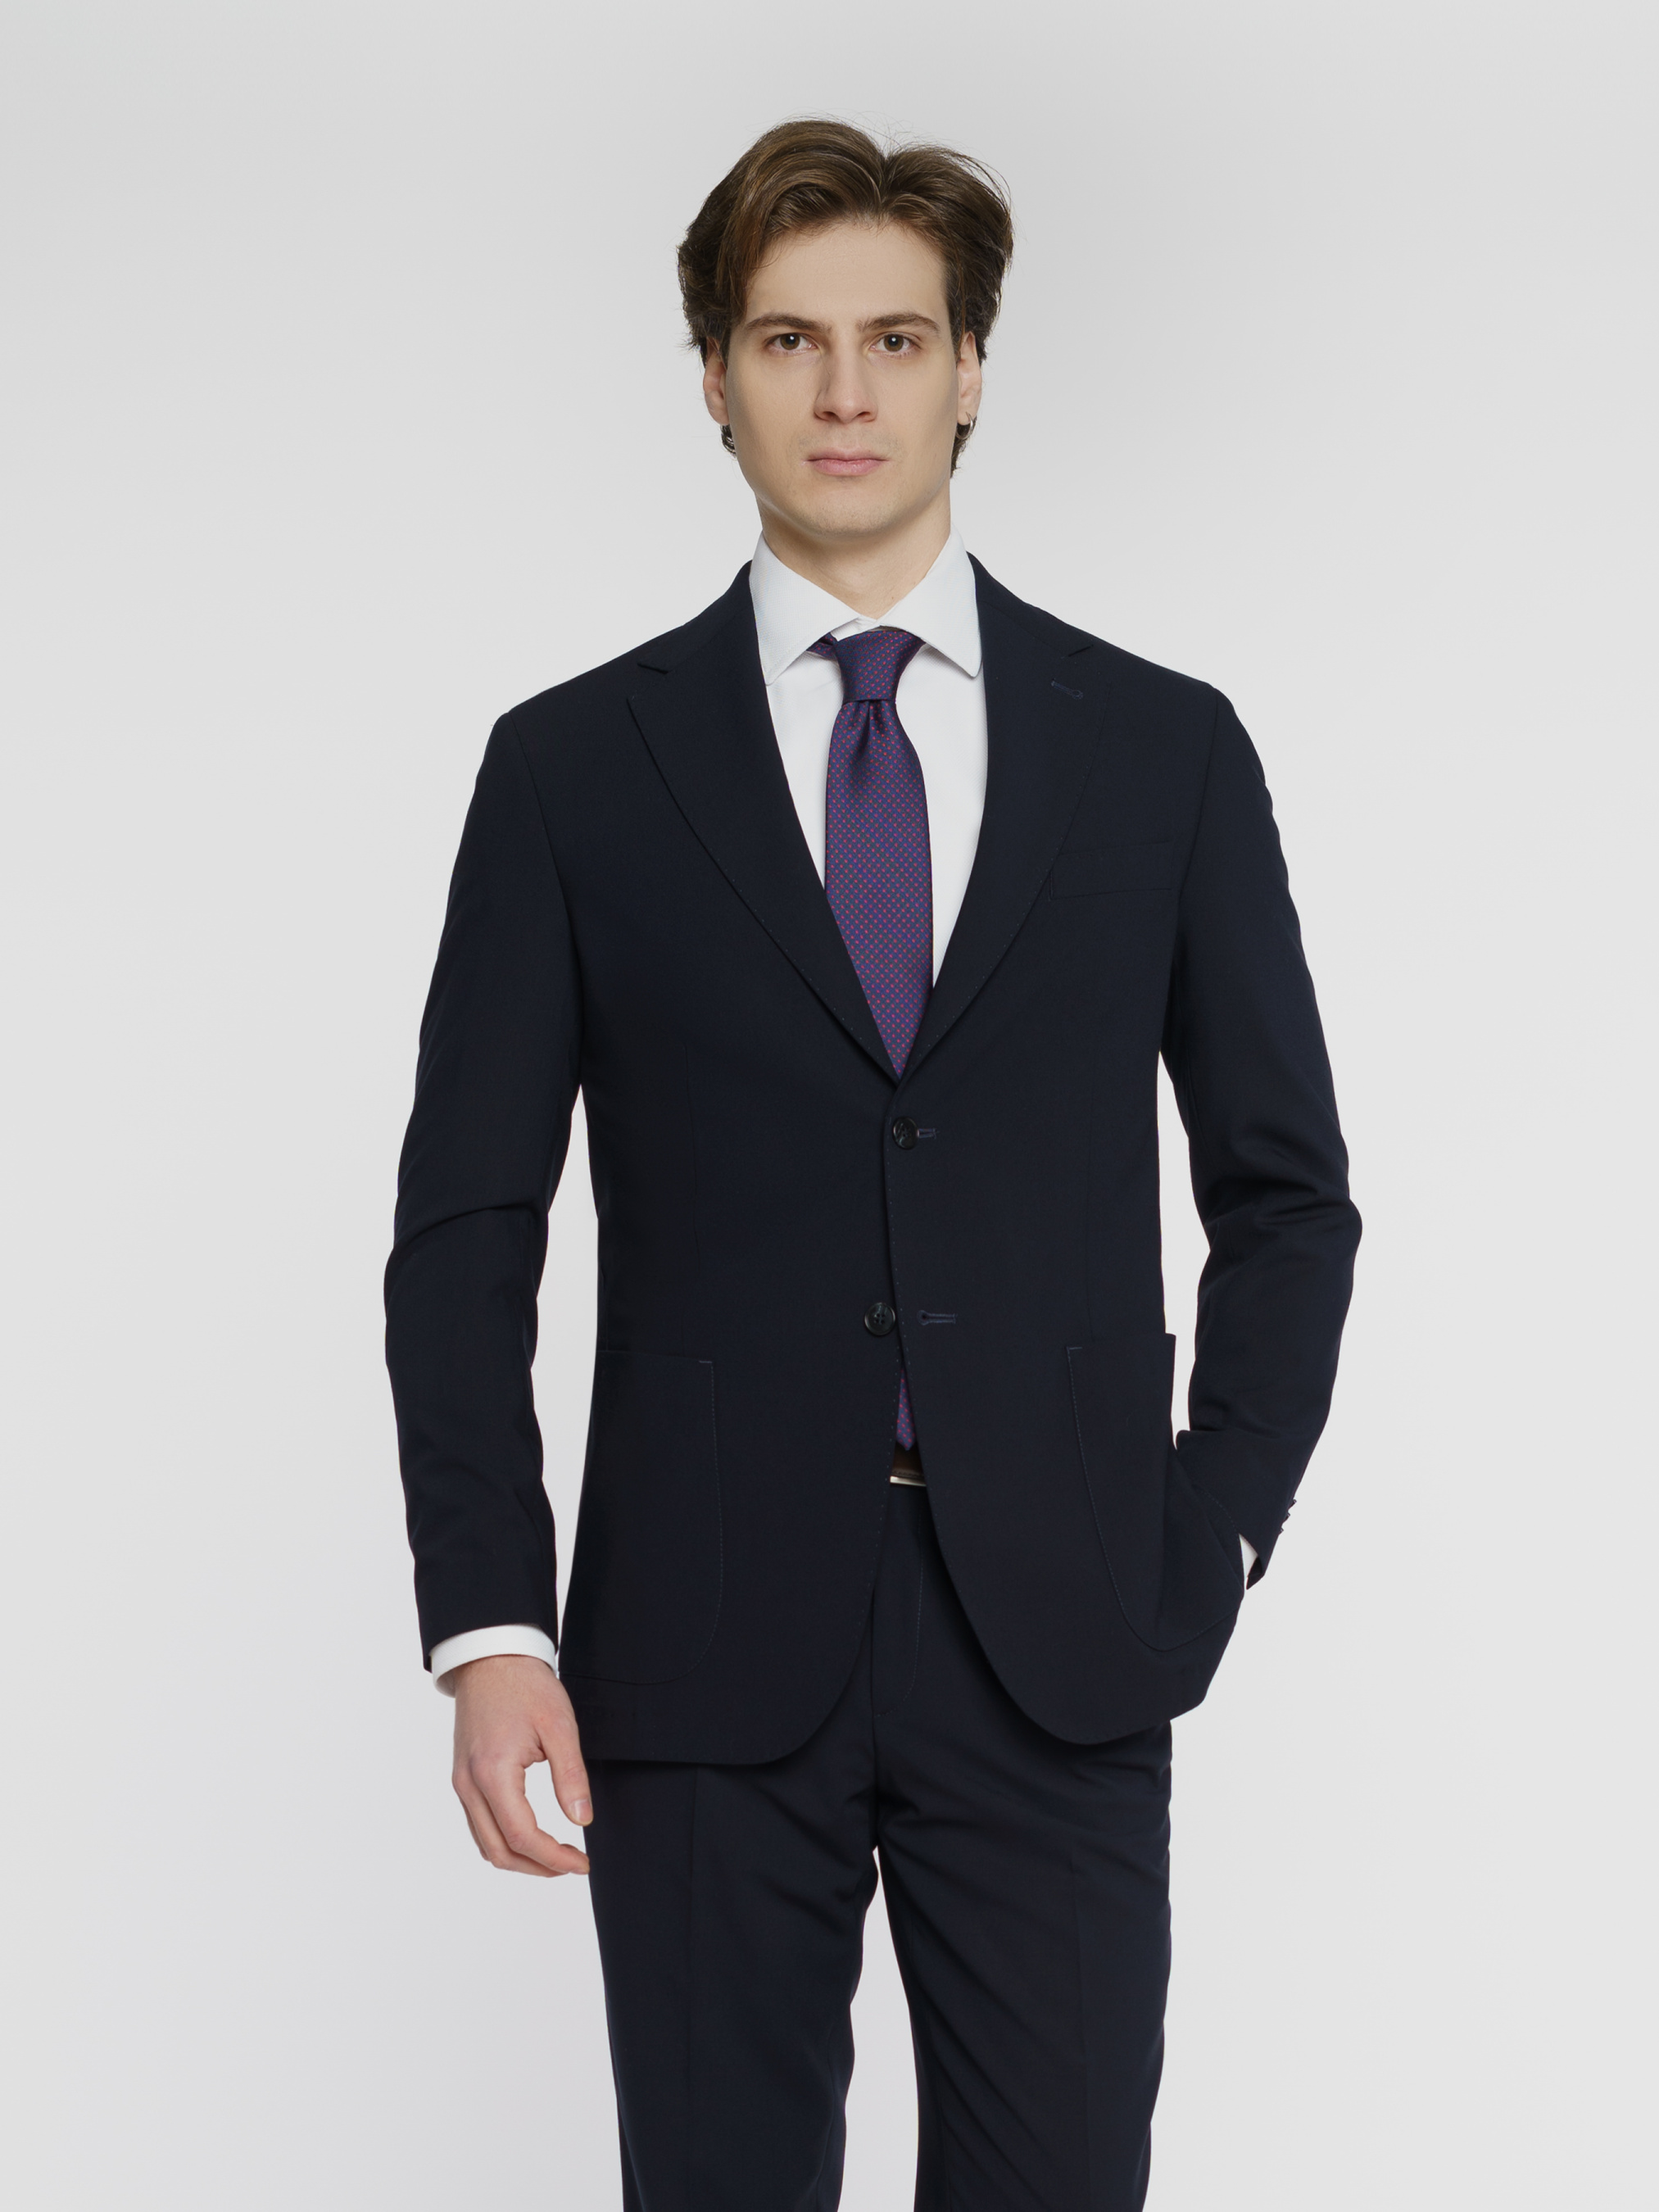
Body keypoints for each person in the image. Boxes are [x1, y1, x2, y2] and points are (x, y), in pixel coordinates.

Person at [386, 118, 1359, 2212]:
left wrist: (1209, 1539)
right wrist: (490, 1626)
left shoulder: (1160, 752)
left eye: (895, 339)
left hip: (1064, 1633)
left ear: (969, 367)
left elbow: (1286, 1197)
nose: (844, 392)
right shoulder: (571, 769)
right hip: (695, 1637)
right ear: (713, 377)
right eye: (788, 340)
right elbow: (463, 1235)